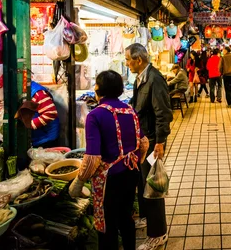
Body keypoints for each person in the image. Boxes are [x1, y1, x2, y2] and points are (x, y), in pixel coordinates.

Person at [69, 71, 147, 250]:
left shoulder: (95, 115)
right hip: (131, 174)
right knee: (126, 217)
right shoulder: (130, 110)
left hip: (109, 181)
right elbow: (143, 142)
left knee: (107, 224)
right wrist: (136, 161)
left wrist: (79, 181)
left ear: (98, 88)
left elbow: (92, 158)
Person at [125, 43, 172, 250]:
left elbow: (163, 113)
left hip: (152, 141)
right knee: (142, 182)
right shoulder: (141, 78)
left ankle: (158, 233)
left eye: (128, 60)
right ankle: (145, 218)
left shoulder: (154, 79)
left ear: (139, 60)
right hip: (143, 139)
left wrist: (160, 143)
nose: (127, 64)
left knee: (152, 186)